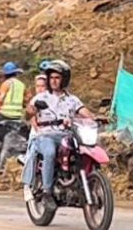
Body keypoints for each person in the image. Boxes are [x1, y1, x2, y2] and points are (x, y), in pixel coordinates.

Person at [24, 59, 92, 208]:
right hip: (46, 136)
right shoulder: (41, 97)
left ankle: (84, 182)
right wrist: (32, 110)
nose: (54, 81)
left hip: (67, 135)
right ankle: (47, 192)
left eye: (57, 78)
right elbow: (28, 113)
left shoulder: (72, 99)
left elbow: (84, 112)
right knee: (49, 153)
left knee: (84, 150)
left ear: (64, 79)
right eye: (51, 78)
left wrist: (96, 118)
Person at [17, 72, 49, 202]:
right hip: (38, 136)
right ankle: (26, 185)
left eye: (43, 86)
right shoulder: (34, 101)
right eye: (38, 86)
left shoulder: (56, 99)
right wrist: (39, 130)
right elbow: (33, 120)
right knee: (32, 156)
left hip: (54, 136)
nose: (40, 89)